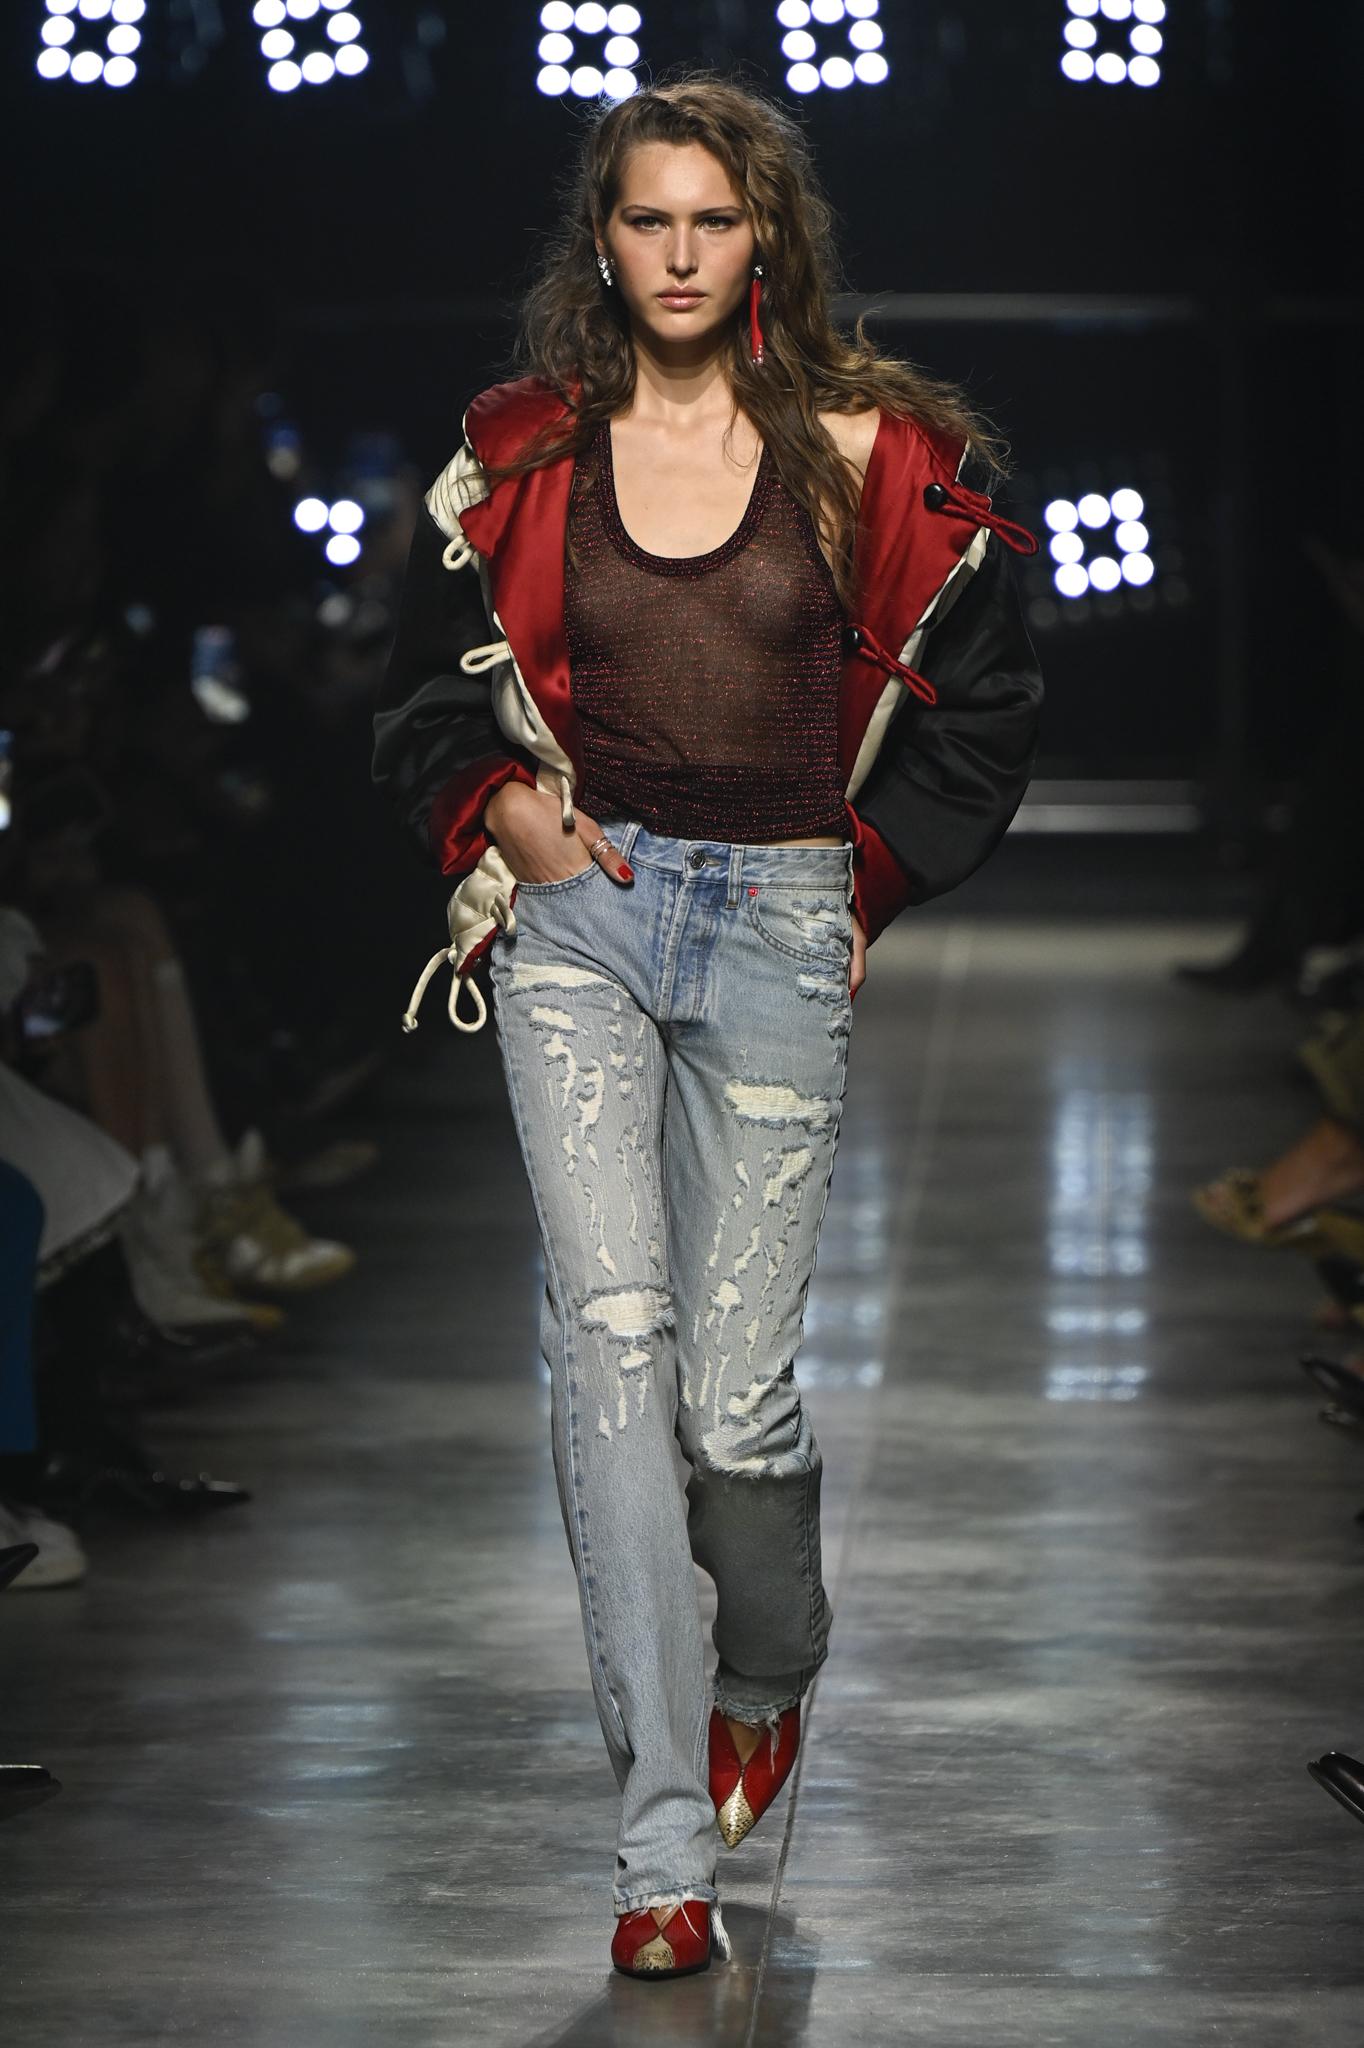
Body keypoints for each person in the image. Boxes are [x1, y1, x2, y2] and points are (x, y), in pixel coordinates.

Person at [374, 72, 1044, 1979]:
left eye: (713, 221)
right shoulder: (522, 459)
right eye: (646, 218)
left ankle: (772, 1664)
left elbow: (991, 704)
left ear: (769, 241)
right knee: (608, 1351)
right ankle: (659, 1850)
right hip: (581, 918)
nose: (679, 255)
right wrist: (499, 810)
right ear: (602, 239)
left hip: (774, 922)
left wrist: (867, 884)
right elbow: (418, 692)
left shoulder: (876, 455)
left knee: (733, 1402)